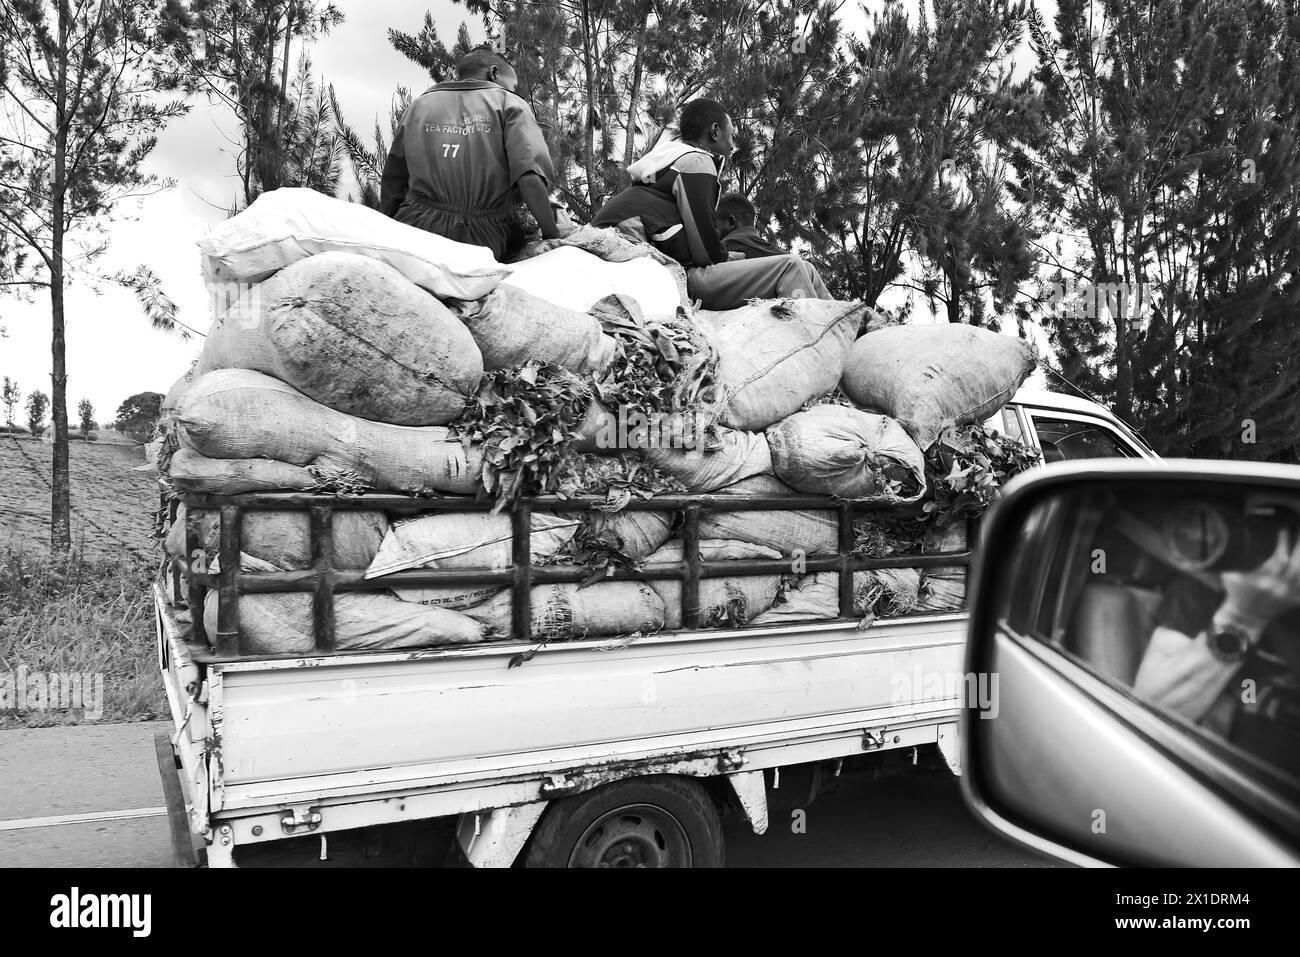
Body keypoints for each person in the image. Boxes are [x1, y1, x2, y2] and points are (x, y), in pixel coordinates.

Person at [590, 98, 833, 309]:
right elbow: (705, 252)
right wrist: (732, 258)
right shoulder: (696, 161)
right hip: (681, 276)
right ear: (715, 131)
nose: (733, 141)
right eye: (731, 133)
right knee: (790, 266)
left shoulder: (667, 162)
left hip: (654, 259)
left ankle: (852, 327)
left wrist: (731, 258)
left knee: (806, 268)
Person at [379, 49, 560, 261]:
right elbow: (530, 177)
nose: (513, 91)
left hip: (413, 228)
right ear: (494, 73)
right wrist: (551, 234)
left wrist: (387, 233)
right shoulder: (510, 104)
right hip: (480, 238)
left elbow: (393, 181)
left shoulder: (419, 105)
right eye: (513, 86)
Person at [715, 193, 789, 259]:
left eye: (715, 227)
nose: (712, 232)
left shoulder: (721, 253)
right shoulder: (786, 258)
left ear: (731, 222)